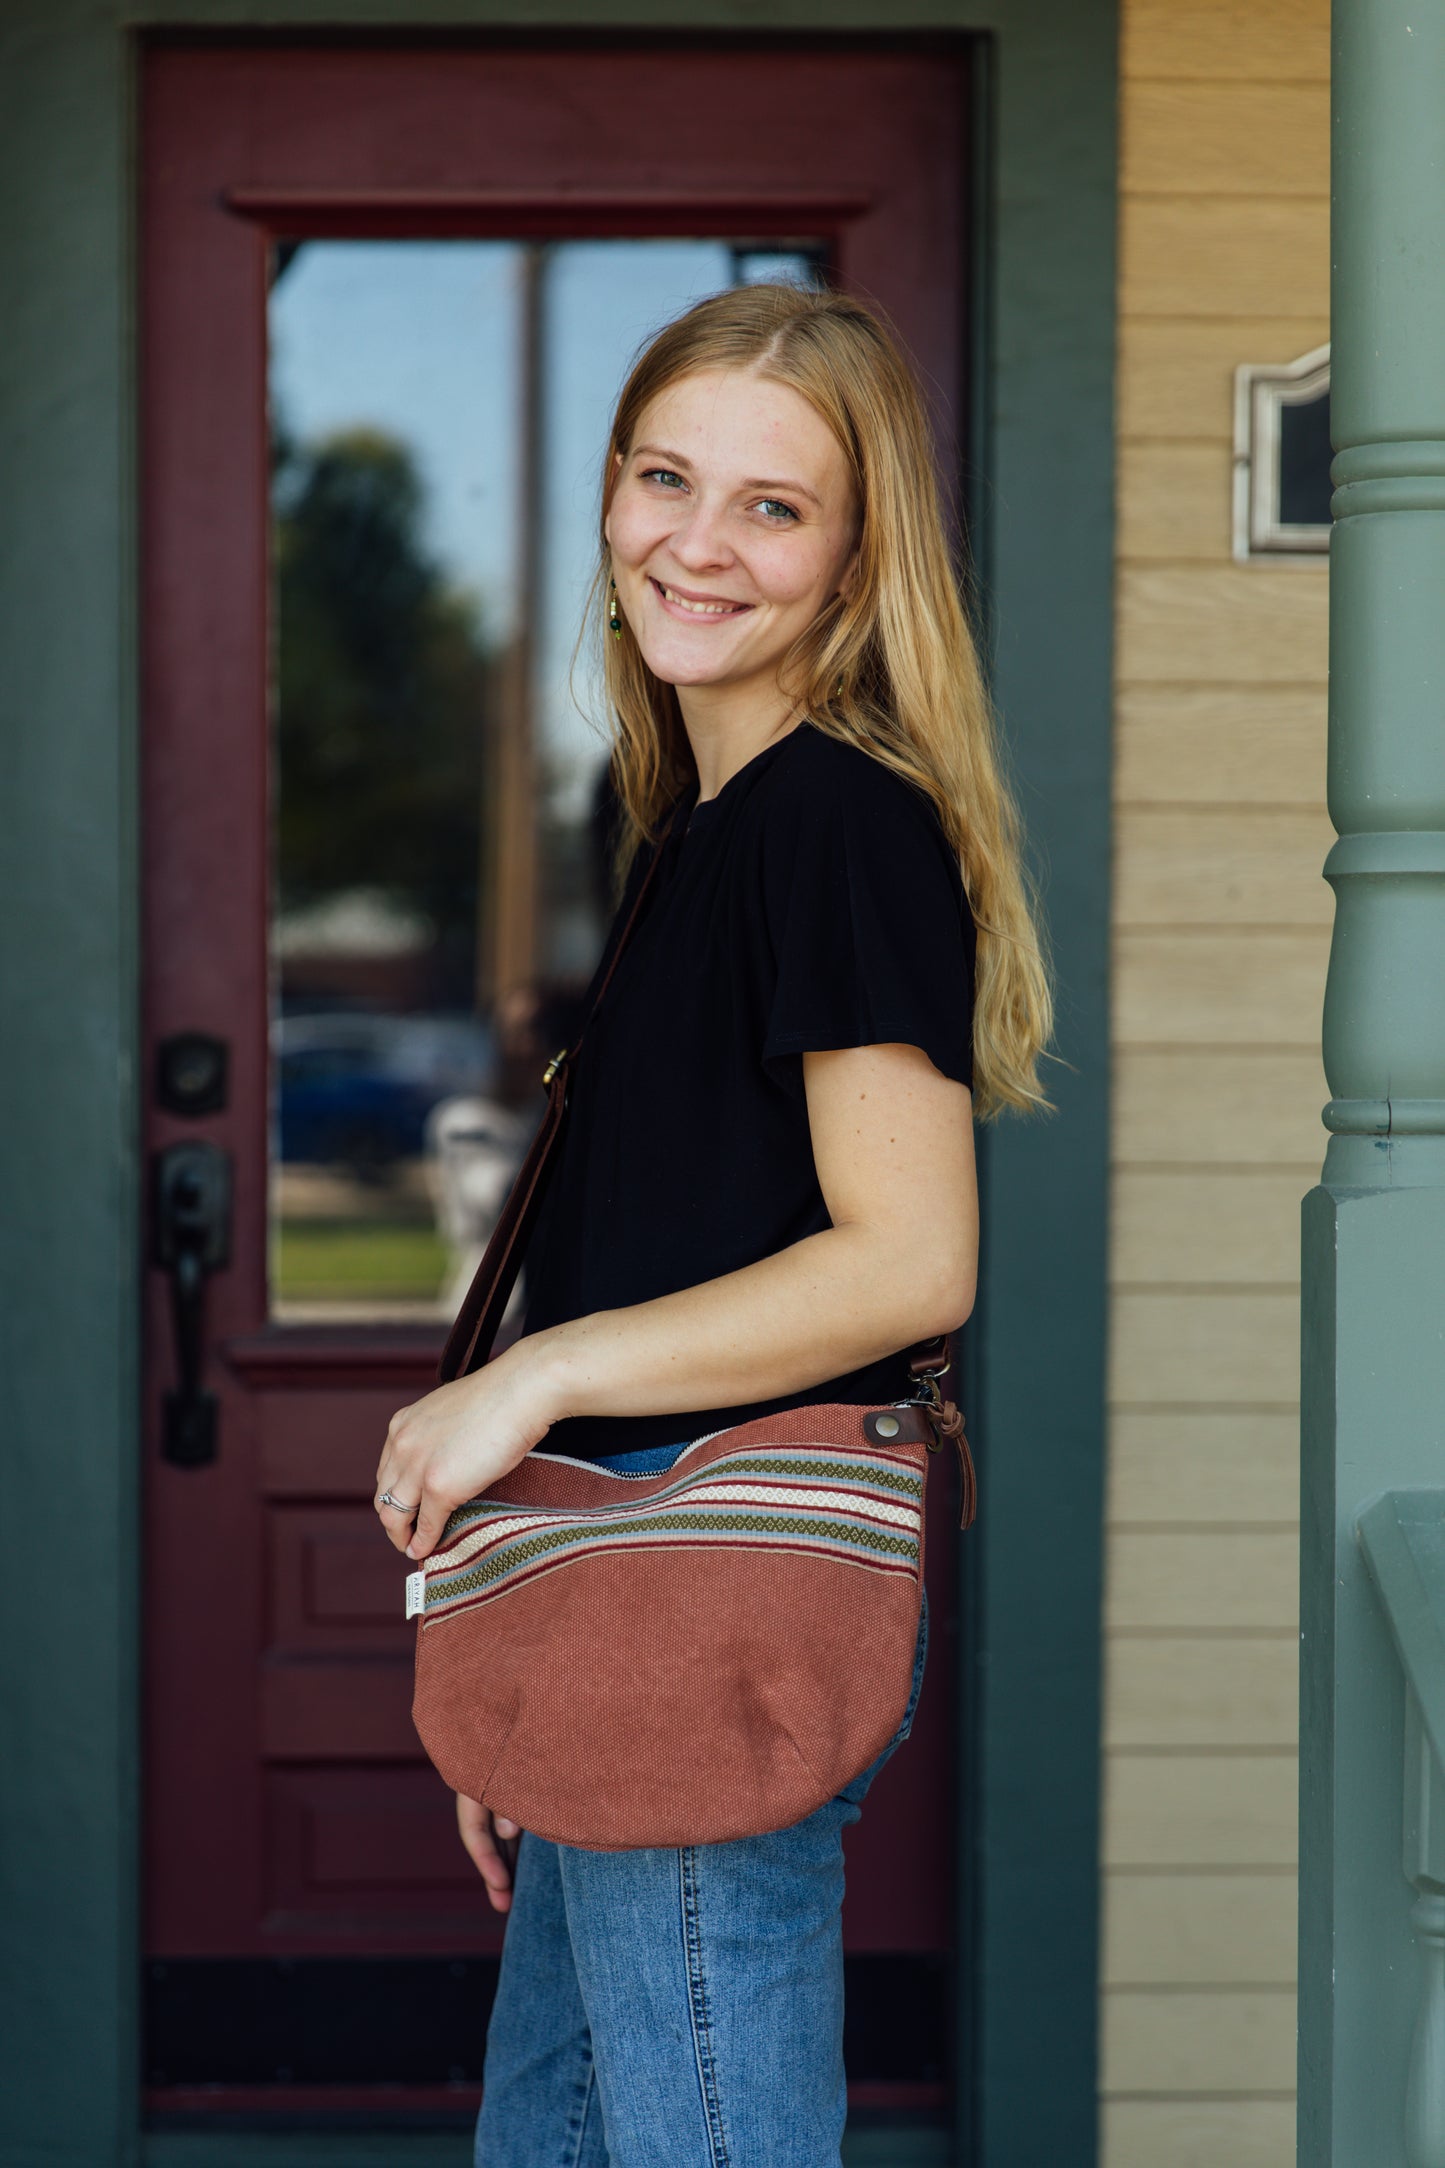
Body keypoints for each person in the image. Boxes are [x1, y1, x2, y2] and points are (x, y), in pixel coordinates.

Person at [374, 280, 1052, 2168]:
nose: (699, 539)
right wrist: (532, 1658)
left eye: (773, 504)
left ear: (852, 558)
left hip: (700, 1602)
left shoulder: (834, 821)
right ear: (607, 495)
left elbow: (910, 1261)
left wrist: (529, 1383)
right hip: (616, 1604)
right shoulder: (705, 826)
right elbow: (661, 1239)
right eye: (666, 476)